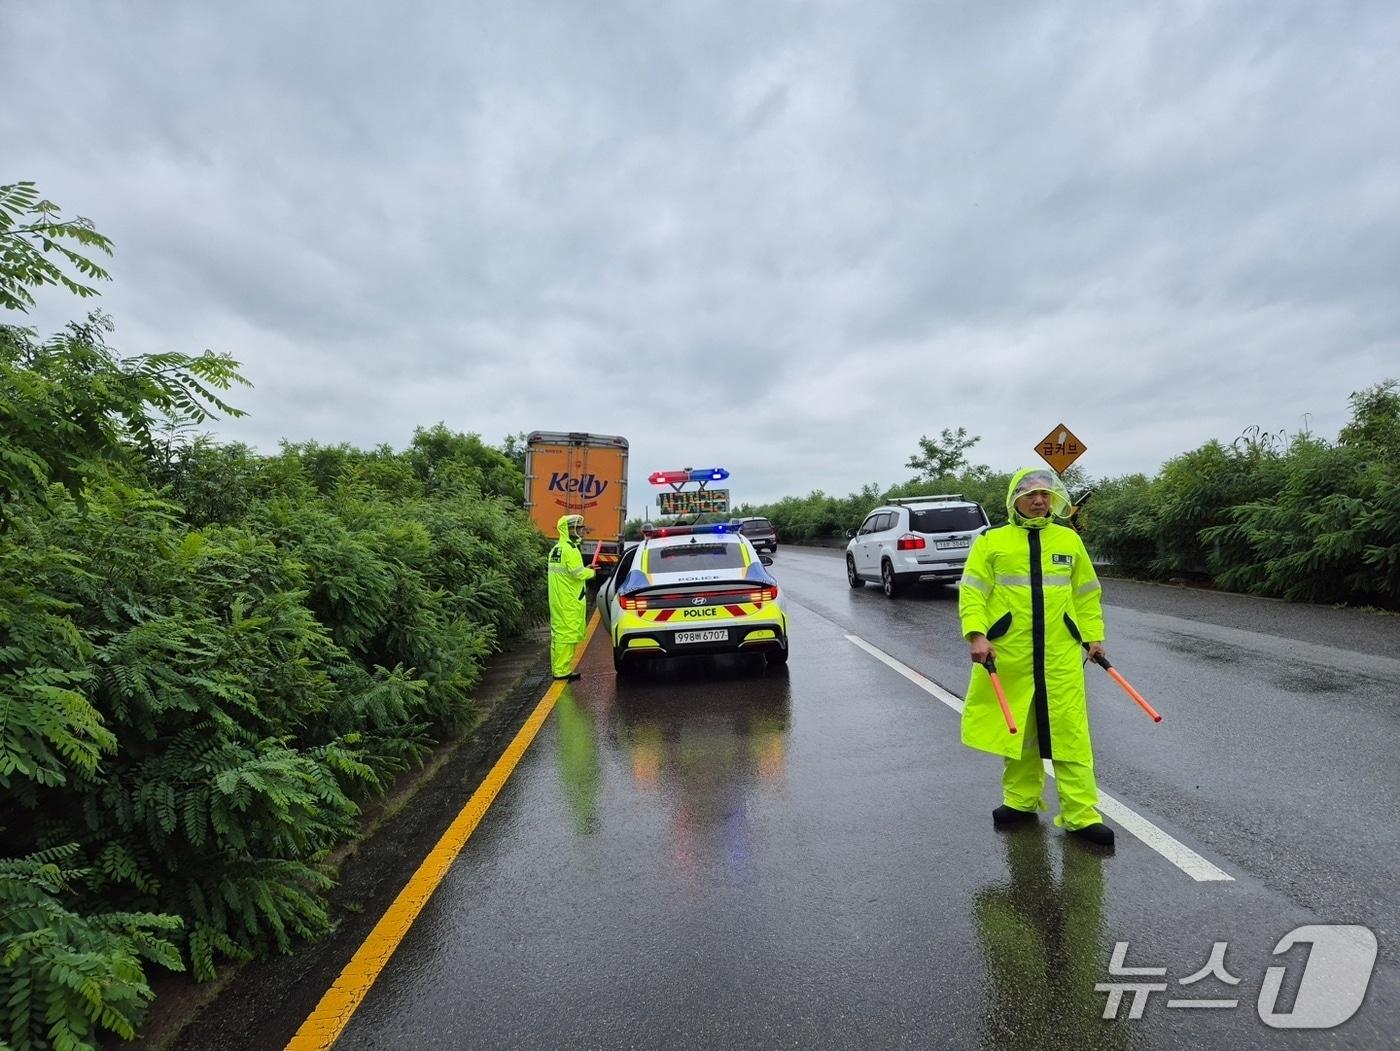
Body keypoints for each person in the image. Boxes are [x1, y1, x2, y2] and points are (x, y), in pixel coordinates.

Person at [958, 467, 1115, 847]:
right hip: (1010, 653)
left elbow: (1086, 593)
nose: (1040, 500)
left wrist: (1093, 638)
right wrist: (977, 635)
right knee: (1020, 733)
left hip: (1061, 655)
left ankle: (1081, 815)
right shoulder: (991, 542)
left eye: (1045, 494)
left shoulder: (1068, 540)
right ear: (1015, 499)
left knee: (1070, 734)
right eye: (1031, 494)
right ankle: (1020, 801)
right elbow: (973, 592)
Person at [548, 513, 595, 680]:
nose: (582, 531)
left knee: (560, 633)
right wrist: (591, 571)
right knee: (567, 634)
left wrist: (585, 568)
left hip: (559, 598)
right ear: (570, 530)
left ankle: (559, 667)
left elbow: (569, 572)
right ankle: (561, 670)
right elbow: (578, 573)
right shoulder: (570, 550)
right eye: (579, 528)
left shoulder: (557, 549)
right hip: (569, 599)